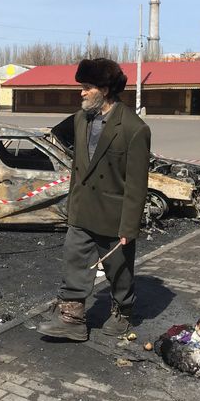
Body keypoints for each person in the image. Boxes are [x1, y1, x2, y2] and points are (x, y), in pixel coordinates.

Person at [37, 58, 151, 341]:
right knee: (74, 262)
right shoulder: (80, 119)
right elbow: (79, 166)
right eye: (82, 87)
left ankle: (123, 310)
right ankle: (71, 319)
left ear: (105, 89)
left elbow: (137, 184)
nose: (82, 93)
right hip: (82, 210)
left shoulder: (134, 129)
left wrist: (129, 227)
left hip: (114, 215)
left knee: (119, 271)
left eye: (87, 87)